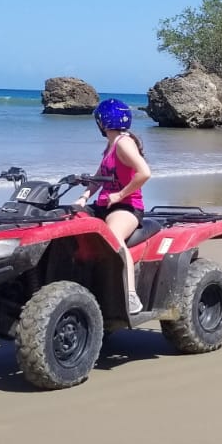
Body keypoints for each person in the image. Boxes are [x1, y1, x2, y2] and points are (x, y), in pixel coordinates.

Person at [73, 98, 151, 313]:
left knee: (113, 236)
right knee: (70, 222)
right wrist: (83, 197)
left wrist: (119, 195)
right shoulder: (111, 144)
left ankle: (130, 294)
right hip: (104, 204)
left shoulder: (124, 143)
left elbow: (145, 172)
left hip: (127, 207)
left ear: (103, 121)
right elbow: (99, 177)